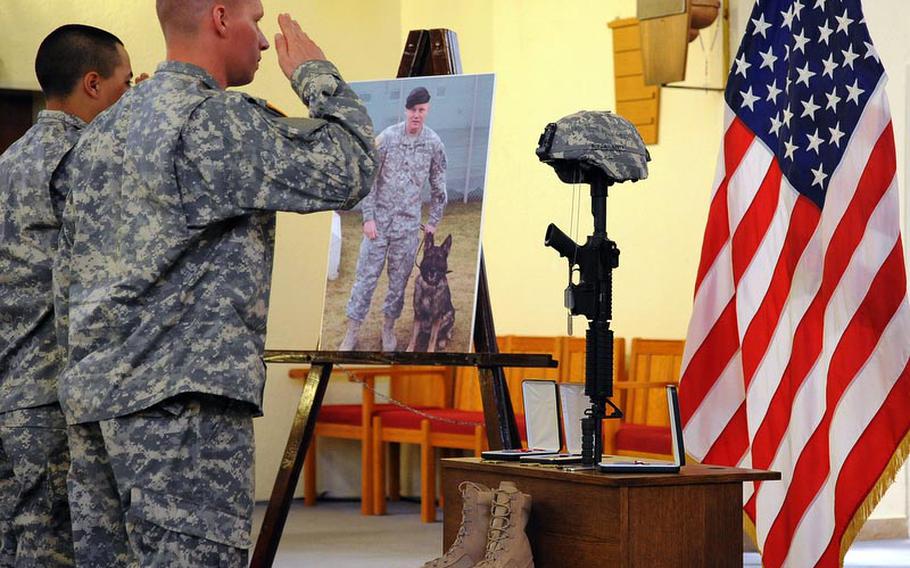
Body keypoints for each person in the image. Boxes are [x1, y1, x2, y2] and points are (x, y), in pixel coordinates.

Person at [53, 2, 376, 566]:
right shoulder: (213, 122)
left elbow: (68, 282)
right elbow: (350, 167)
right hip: (183, 418)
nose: (267, 41)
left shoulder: (100, 134)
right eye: (255, 20)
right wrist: (315, 73)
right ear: (220, 18)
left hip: (95, 411)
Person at [0, 24, 137, 567]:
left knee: (15, 540)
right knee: (53, 548)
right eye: (127, 84)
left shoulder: (10, 162)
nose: (132, 96)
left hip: (10, 388)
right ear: (93, 84)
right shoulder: (86, 164)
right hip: (57, 394)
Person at [340, 86, 448, 351]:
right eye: (413, 109)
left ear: (427, 110)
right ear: (406, 110)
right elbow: (370, 180)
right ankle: (352, 332)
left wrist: (433, 221)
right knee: (365, 279)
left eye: (421, 110)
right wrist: (368, 218)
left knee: (398, 283)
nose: (416, 115)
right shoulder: (387, 138)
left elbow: (439, 187)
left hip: (408, 229)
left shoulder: (433, 144)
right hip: (378, 225)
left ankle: (388, 330)